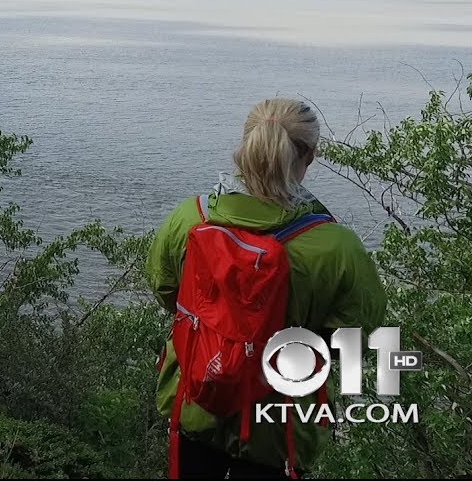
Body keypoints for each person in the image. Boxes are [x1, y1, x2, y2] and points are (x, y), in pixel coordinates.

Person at [146, 98, 386, 478]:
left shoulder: (190, 218)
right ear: (309, 156)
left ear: (245, 144)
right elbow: (358, 337)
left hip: (195, 400)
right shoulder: (336, 247)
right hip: (277, 428)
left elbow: (166, 292)